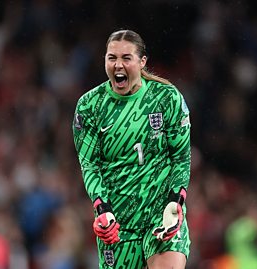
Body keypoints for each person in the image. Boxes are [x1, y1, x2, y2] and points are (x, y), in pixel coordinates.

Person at [72, 29, 191, 269]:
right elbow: (90, 165)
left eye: (126, 58)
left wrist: (174, 202)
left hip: (160, 217)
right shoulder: (89, 106)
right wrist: (101, 207)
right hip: (118, 225)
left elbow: (181, 158)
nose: (118, 64)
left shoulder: (166, 99)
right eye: (112, 57)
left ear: (142, 61)